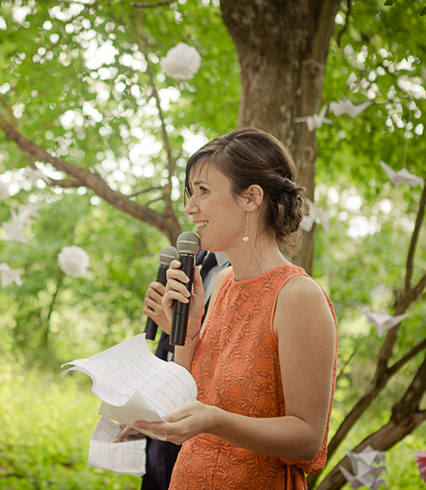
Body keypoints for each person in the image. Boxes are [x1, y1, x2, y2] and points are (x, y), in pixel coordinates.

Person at [134, 128, 338, 489]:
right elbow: (189, 399)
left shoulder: (298, 296)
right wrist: (189, 328)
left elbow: (307, 438)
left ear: (251, 198)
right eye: (190, 192)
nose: (189, 207)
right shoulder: (225, 282)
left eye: (204, 191)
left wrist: (215, 421)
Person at [116, 250, 230, 490]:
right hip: (165, 415)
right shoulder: (192, 259)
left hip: (200, 430)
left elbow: (226, 362)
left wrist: (172, 327)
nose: (189, 210)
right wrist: (149, 411)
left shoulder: (239, 274)